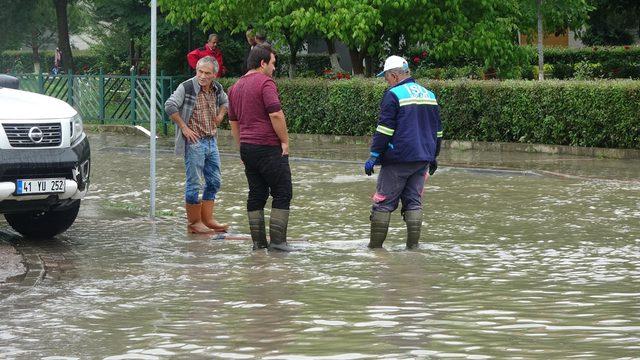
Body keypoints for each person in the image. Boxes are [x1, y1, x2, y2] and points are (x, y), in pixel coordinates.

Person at [364, 55, 443, 249]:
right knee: (414, 203)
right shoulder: (429, 95)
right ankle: (413, 249)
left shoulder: (393, 94)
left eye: (386, 77)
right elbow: (438, 130)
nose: (386, 82)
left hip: (398, 158)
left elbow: (385, 129)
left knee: (382, 204)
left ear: (394, 75)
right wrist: (434, 156)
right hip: (422, 159)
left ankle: (375, 250)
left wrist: (374, 155)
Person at [227, 44, 293, 252]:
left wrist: (241, 147)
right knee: (282, 191)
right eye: (273, 64)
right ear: (262, 63)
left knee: (257, 193)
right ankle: (278, 244)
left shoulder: (235, 87)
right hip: (268, 146)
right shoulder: (266, 83)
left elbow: (234, 123)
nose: (274, 68)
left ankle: (258, 243)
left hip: (247, 148)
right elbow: (275, 114)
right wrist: (284, 141)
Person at [164, 56, 230, 234]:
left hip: (211, 141)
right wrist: (184, 128)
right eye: (200, 71)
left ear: (214, 75)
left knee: (215, 181)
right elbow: (170, 106)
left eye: (207, 73)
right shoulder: (186, 87)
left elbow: (225, 102)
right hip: (194, 142)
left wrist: (221, 116)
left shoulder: (217, 88)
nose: (202, 76)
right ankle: (194, 223)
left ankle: (208, 219)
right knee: (194, 182)